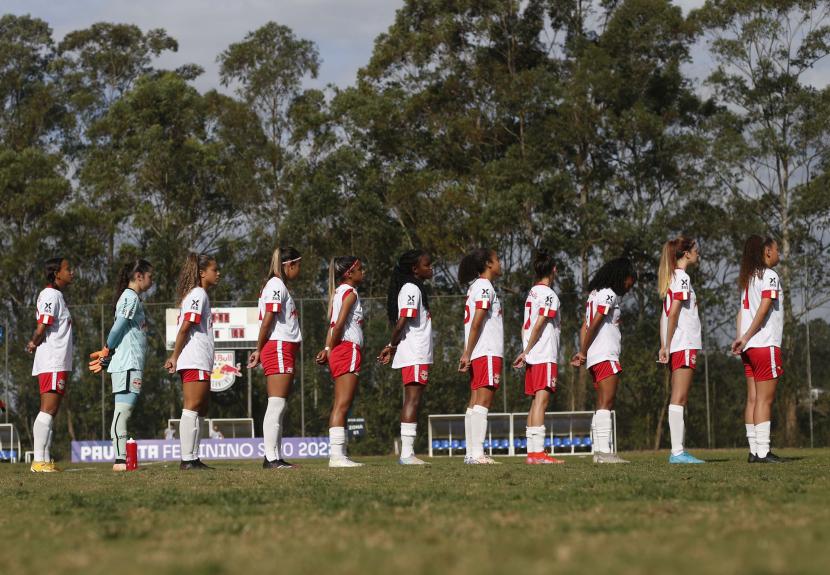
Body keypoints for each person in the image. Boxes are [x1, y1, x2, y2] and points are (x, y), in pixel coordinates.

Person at [89, 259, 154, 472]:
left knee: (124, 412)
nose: (152, 280)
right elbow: (118, 327)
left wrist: (108, 355)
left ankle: (121, 459)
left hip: (130, 364)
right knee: (122, 412)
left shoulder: (132, 298)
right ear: (139, 276)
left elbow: (125, 334)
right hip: (127, 366)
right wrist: (107, 348)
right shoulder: (129, 297)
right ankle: (120, 461)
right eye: (150, 275)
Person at [571, 257, 637, 464]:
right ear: (622, 277)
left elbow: (584, 326)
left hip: (595, 356)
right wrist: (582, 352)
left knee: (602, 403)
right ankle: (604, 452)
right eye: (630, 281)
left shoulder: (594, 294)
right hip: (605, 354)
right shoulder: (609, 295)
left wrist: (584, 352)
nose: (630, 286)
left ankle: (600, 452)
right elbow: (596, 322)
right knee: (606, 403)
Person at [247, 247, 303, 469]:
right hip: (278, 346)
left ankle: (274, 456)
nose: (299, 270)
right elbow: (268, 319)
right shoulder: (276, 285)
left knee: (279, 405)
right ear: (289, 265)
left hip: (284, 346)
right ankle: (271, 458)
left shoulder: (279, 285)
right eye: (298, 265)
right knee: (276, 404)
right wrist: (259, 349)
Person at [731, 236, 785, 464]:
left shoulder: (748, 279)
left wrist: (741, 339)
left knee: (753, 399)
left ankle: (754, 451)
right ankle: (763, 452)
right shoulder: (769, 276)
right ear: (767, 251)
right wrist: (747, 336)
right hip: (764, 343)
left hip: (749, 349)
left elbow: (740, 313)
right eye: (777, 249)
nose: (778, 253)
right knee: (765, 400)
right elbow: (764, 308)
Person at [164, 253, 220, 471]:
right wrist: (175, 356)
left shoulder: (198, 294)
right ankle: (188, 459)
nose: (218, 273)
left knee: (200, 408)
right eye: (214, 270)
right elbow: (186, 327)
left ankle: (193, 458)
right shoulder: (198, 294)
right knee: (192, 406)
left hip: (199, 359)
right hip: (193, 358)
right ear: (201, 272)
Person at [378, 249, 434, 465]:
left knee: (414, 399)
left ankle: (407, 453)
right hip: (414, 351)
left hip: (417, 352)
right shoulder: (411, 288)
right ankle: (407, 454)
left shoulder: (415, 287)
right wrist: (391, 345)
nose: (430, 269)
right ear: (414, 269)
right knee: (412, 399)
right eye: (427, 265)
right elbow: (402, 321)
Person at [513, 249, 563, 465]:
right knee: (541, 402)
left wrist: (525, 350)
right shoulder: (549, 295)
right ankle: (539, 453)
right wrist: (526, 351)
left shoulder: (531, 293)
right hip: (543, 353)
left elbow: (525, 326)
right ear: (554, 270)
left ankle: (533, 453)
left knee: (535, 403)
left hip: (534, 354)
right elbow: (540, 323)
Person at [657, 238, 705, 464]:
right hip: (683, 343)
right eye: (695, 250)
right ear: (686, 253)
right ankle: (677, 452)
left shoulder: (672, 278)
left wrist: (664, 345)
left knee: (678, 397)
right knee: (679, 397)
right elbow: (673, 313)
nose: (697, 253)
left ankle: (677, 451)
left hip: (677, 344)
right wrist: (666, 345)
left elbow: (663, 316)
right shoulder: (682, 278)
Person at [315, 256, 365, 468]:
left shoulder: (338, 293)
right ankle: (337, 456)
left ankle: (339, 455)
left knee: (339, 404)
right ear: (349, 273)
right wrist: (330, 347)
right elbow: (340, 324)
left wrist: (327, 349)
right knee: (343, 405)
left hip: (338, 349)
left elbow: (333, 325)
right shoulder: (350, 293)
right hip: (347, 348)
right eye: (359, 269)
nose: (363, 272)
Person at [26, 258, 75, 473]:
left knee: (50, 411)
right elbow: (43, 324)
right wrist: (34, 342)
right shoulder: (50, 295)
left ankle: (44, 460)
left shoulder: (57, 295)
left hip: (57, 361)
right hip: (52, 360)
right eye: (67, 269)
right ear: (56, 273)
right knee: (48, 409)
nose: (71, 272)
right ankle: (38, 461)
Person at [458, 248, 503, 465]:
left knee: (474, 401)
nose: (500, 263)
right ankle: (477, 454)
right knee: (483, 401)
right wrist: (467, 351)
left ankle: (470, 453)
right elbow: (477, 320)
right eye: (497, 259)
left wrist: (468, 350)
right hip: (486, 350)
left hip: (478, 351)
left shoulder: (475, 286)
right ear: (488, 263)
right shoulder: (485, 286)